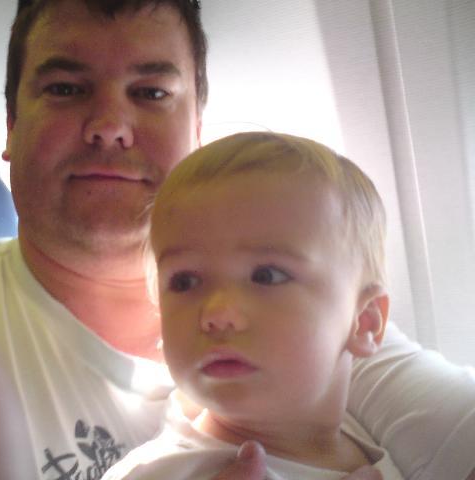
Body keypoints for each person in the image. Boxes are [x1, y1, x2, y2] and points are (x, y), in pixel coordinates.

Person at [0, 0, 474, 479]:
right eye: (66, 89)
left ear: (196, 128)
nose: (110, 125)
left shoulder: (322, 327)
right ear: (10, 125)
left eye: (151, 92)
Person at [103, 131, 405, 479]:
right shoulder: (160, 472)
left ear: (364, 322)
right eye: (185, 282)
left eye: (267, 276)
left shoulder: (368, 436)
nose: (216, 314)